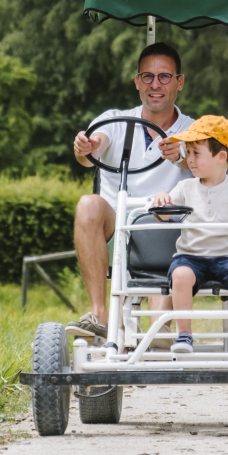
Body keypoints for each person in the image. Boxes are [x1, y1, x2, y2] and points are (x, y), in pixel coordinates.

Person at [67, 41, 194, 341]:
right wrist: (89, 146)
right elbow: (91, 148)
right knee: (88, 204)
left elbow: (212, 170)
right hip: (117, 224)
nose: (155, 84)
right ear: (137, 81)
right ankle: (100, 316)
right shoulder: (113, 120)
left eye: (165, 76)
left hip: (170, 225)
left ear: (179, 82)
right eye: (147, 76)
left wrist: (181, 156)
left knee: (171, 212)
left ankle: (160, 322)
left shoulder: (194, 130)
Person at [152, 115, 228, 354]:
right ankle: (184, 336)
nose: (189, 160)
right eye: (187, 153)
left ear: (221, 157)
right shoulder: (185, 187)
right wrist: (161, 200)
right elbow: (163, 214)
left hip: (225, 257)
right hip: (189, 256)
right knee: (180, 276)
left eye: (196, 153)